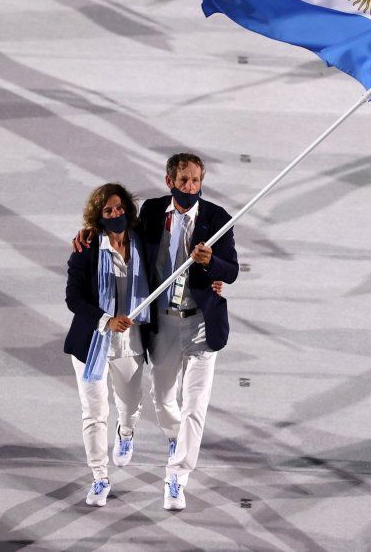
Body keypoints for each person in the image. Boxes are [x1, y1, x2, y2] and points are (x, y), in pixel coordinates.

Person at [75, 152, 238, 510]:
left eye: (196, 181)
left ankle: (177, 477)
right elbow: (119, 234)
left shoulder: (217, 218)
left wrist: (213, 265)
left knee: (195, 406)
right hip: (162, 323)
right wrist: (88, 231)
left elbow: (232, 270)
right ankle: (166, 436)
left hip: (200, 325)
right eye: (184, 181)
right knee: (164, 401)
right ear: (170, 182)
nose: (190, 187)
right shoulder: (150, 212)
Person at [64, 183, 151, 507]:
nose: (116, 214)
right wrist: (105, 319)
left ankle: (125, 434)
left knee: (129, 406)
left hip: (130, 344)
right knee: (94, 414)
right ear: (98, 218)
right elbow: (73, 298)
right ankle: (99, 476)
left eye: (119, 208)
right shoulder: (87, 249)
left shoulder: (143, 240)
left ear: (127, 208)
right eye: (108, 211)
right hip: (92, 346)